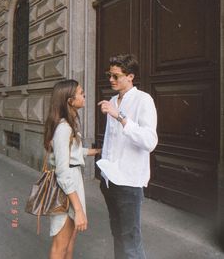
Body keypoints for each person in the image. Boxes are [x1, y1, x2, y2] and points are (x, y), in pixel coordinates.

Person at [97, 54, 158, 259]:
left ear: (130, 76)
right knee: (118, 235)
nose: (111, 80)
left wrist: (120, 117)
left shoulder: (143, 100)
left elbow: (150, 141)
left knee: (131, 241)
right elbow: (111, 141)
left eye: (116, 76)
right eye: (109, 75)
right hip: (109, 181)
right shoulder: (114, 100)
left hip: (129, 183)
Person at [44, 79, 100, 259]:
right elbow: (62, 172)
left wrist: (95, 151)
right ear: (70, 100)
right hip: (66, 189)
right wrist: (78, 209)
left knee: (70, 241)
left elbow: (72, 152)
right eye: (81, 93)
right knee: (61, 245)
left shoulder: (69, 126)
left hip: (72, 185)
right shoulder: (63, 129)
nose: (84, 96)